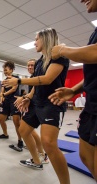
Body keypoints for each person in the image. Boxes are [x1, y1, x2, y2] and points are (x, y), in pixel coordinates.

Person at [3, 28, 70, 184]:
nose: (34, 42)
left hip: (52, 104)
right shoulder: (41, 60)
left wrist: (19, 81)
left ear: (46, 39)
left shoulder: (59, 56)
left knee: (49, 144)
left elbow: (46, 79)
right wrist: (28, 97)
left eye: (36, 39)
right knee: (24, 130)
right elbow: (36, 84)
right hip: (37, 103)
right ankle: (36, 161)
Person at [48, 0, 97, 181]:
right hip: (92, 104)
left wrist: (63, 49)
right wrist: (73, 90)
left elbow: (94, 53)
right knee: (85, 156)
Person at [14, 59, 49, 163]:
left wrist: (24, 97)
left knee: (25, 130)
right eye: (28, 65)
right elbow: (32, 93)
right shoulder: (32, 78)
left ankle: (38, 159)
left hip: (37, 107)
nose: (29, 67)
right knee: (29, 131)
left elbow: (36, 93)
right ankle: (42, 154)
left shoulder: (38, 77)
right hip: (33, 106)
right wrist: (26, 98)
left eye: (32, 65)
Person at [0, 61, 23, 148]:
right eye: (4, 70)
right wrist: (0, 99)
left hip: (14, 100)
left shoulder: (16, 78)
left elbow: (14, 89)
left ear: (11, 70)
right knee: (1, 119)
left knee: (16, 122)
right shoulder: (4, 80)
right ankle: (5, 134)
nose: (5, 72)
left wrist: (3, 95)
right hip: (6, 101)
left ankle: (20, 140)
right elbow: (2, 91)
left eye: (6, 70)